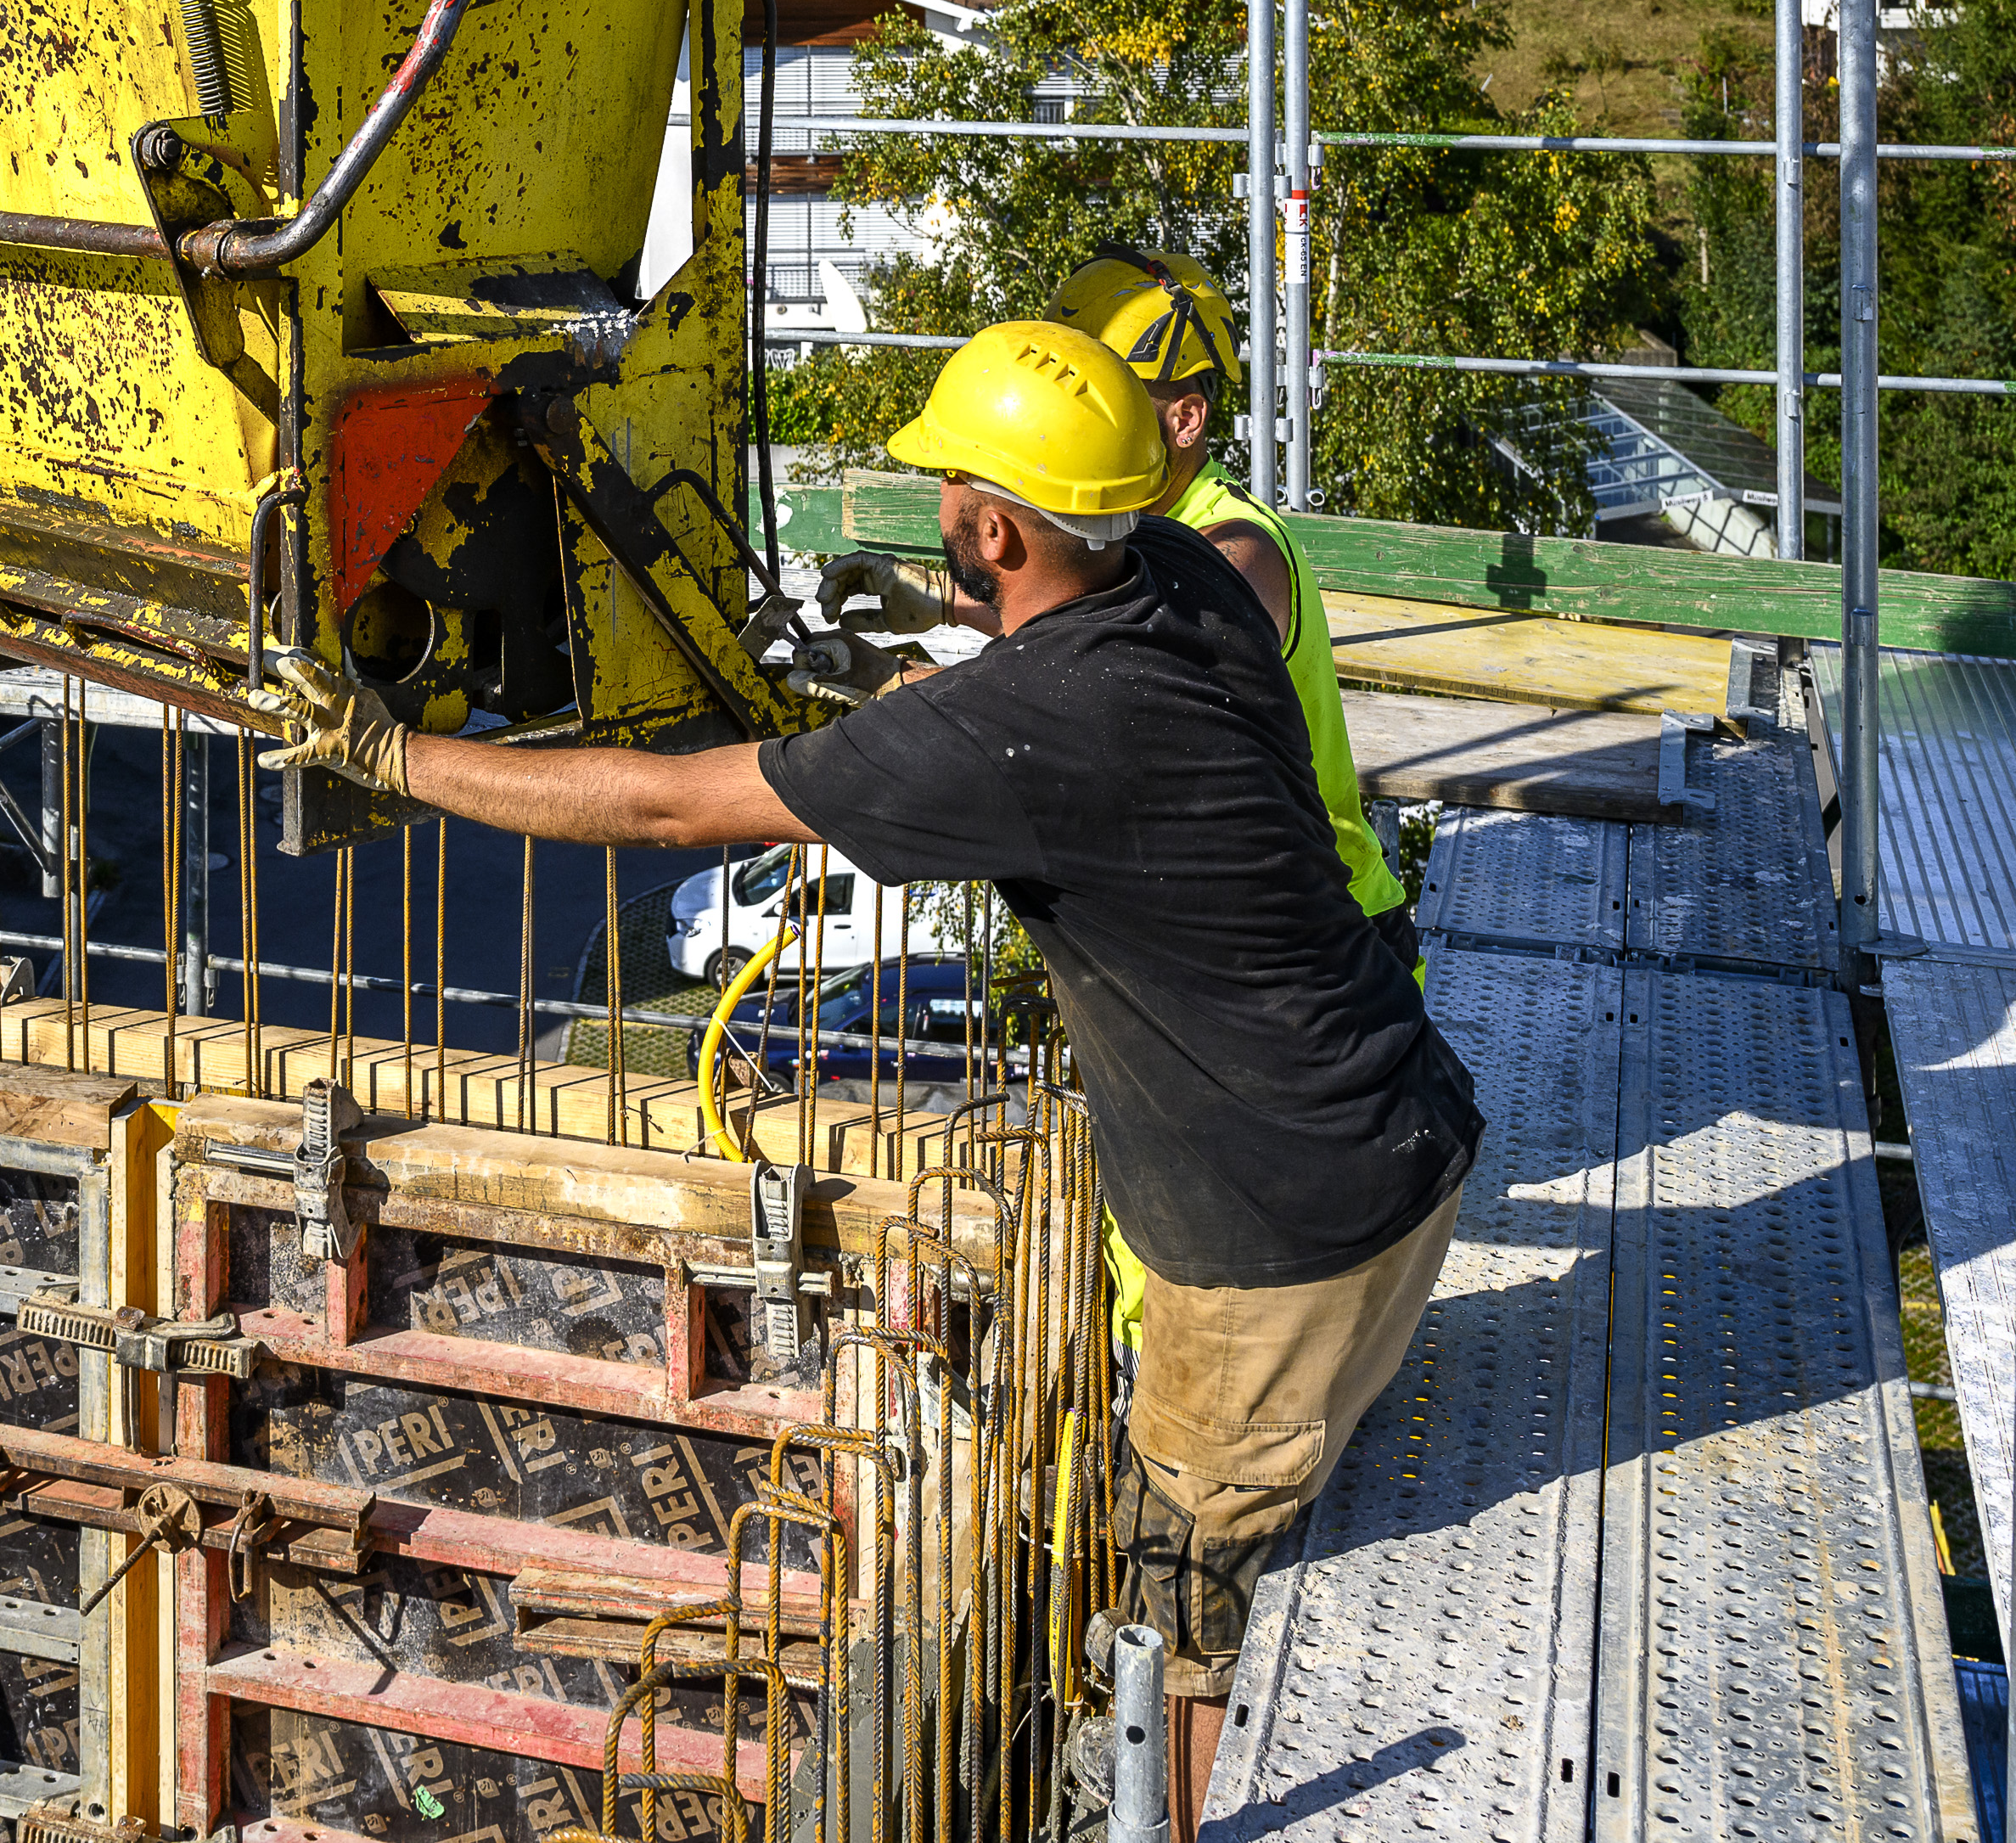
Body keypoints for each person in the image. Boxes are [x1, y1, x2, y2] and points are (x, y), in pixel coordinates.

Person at [263, 320, 1480, 1835]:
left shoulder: (1029, 728)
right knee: (1211, 1496)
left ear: (998, 526)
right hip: (1404, 1122)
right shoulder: (1189, 582)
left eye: (950, 506)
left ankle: (1178, 1811)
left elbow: (662, 805)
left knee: (1175, 1573)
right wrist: (915, 638)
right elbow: (1033, 689)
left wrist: (388, 751)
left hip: (1284, 1241)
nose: (939, 523)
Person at [825, 248, 1407, 964]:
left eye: (1112, 397)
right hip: (1216, 938)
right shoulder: (1123, 532)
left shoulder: (1236, 551)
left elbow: (1105, 700)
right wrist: (944, 599)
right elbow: (1094, 619)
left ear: (1185, 418)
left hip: (1326, 938)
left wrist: (900, 686)